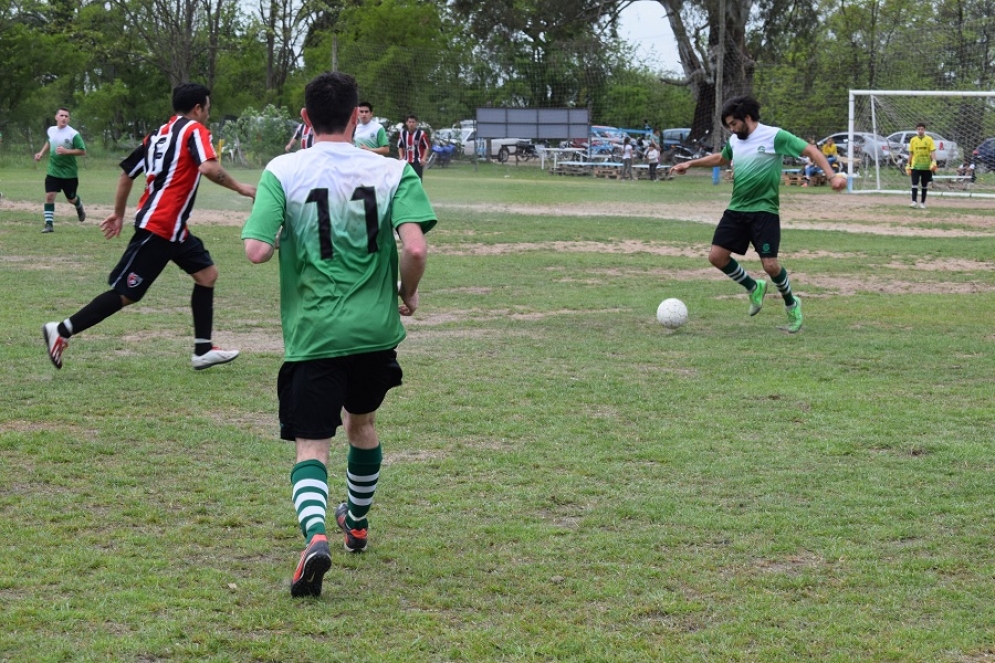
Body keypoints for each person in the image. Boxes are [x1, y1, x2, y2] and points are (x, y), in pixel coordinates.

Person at [241, 71, 436, 599]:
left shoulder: (283, 170)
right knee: (362, 423)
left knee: (312, 442)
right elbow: (416, 249)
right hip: (375, 331)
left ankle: (316, 536)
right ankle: (358, 523)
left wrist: (281, 230)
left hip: (315, 331)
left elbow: (256, 251)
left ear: (306, 119)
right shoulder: (394, 170)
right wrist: (409, 292)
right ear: (357, 117)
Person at [41, 83, 256, 371]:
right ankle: (61, 330)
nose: (208, 114)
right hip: (160, 225)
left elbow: (126, 174)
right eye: (207, 108)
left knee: (207, 274)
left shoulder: (157, 135)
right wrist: (242, 188)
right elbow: (208, 167)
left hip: (174, 228)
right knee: (126, 294)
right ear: (197, 109)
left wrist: (119, 214)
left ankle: (203, 349)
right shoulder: (195, 130)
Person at [670, 95, 846, 334]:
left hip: (764, 211)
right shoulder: (735, 140)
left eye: (734, 123)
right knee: (717, 257)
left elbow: (811, 151)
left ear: (747, 118)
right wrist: (690, 164)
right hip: (737, 209)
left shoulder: (774, 136)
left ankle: (792, 304)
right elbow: (722, 158)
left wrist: (832, 176)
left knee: (770, 265)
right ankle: (753, 287)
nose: (732, 129)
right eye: (729, 126)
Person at [34, 107, 87, 232]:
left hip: (69, 173)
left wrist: (66, 151)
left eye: (66, 116)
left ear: (69, 119)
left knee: (71, 199)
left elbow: (82, 151)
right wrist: (41, 153)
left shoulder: (73, 134)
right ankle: (49, 225)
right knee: (49, 196)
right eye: (61, 115)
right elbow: (49, 141)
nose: (64, 118)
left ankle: (78, 205)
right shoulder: (51, 130)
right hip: (53, 170)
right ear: (56, 117)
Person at [906, 122, 937, 209]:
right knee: (914, 184)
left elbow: (932, 151)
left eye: (922, 129)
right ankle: (914, 201)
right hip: (915, 165)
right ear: (917, 130)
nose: (920, 131)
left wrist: (934, 161)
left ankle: (922, 203)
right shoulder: (913, 140)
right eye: (919, 129)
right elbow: (911, 153)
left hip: (926, 166)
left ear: (924, 130)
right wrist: (908, 164)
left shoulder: (929, 139)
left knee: (924, 185)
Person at [397, 114, 430, 179]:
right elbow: (400, 146)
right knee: (406, 179)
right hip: (406, 162)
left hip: (417, 162)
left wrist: (423, 158)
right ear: (406, 123)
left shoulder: (421, 134)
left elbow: (426, 146)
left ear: (416, 123)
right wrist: (401, 156)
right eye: (409, 122)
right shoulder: (402, 133)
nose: (411, 124)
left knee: (417, 179)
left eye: (413, 122)